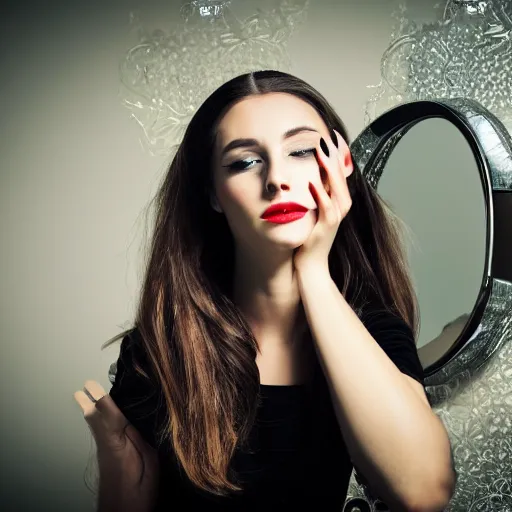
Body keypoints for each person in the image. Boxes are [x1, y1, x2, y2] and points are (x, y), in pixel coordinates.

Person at [74, 70, 456, 511]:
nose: (276, 179)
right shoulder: (161, 349)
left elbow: (423, 491)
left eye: (301, 151)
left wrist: (312, 269)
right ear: (214, 194)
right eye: (244, 162)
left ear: (340, 168)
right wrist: (121, 474)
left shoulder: (375, 331)